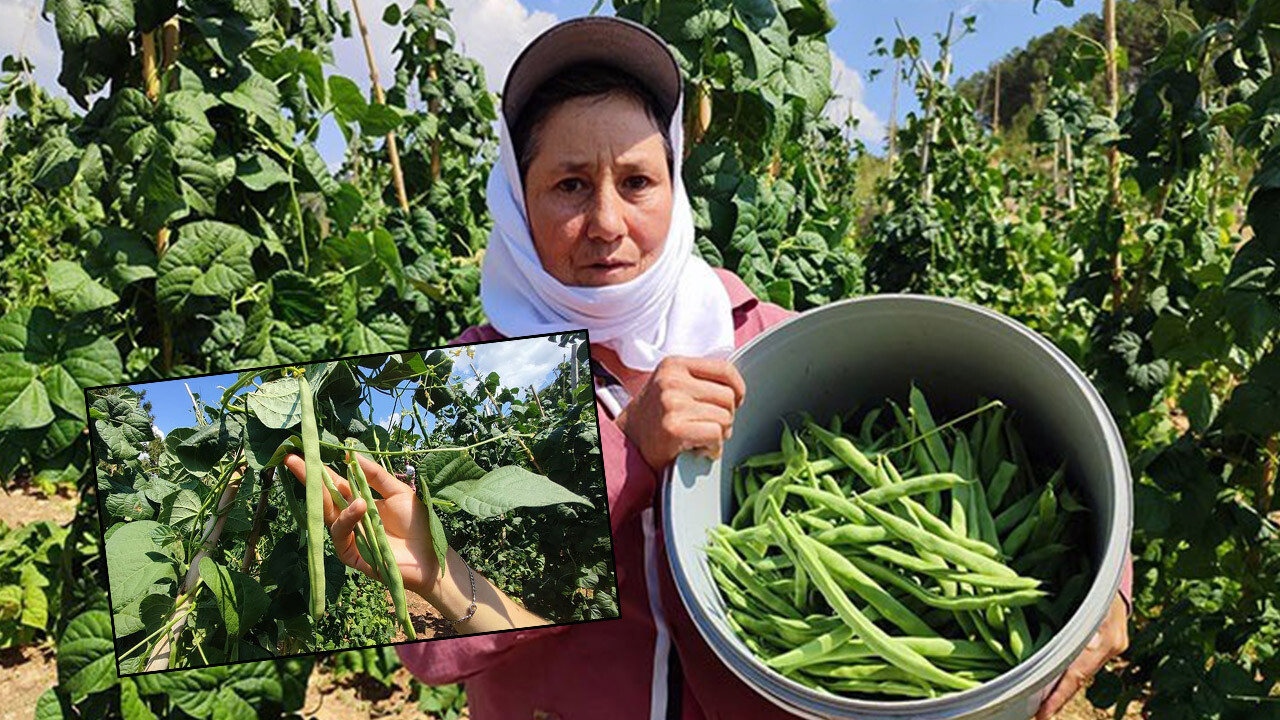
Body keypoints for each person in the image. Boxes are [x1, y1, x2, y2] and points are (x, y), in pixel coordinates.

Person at [283, 16, 1133, 720]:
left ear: (675, 184)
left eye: (637, 181)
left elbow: (1018, 435)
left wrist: (1109, 590)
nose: (608, 221)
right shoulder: (458, 390)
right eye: (569, 185)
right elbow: (443, 652)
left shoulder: (768, 340)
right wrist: (626, 457)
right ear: (518, 196)